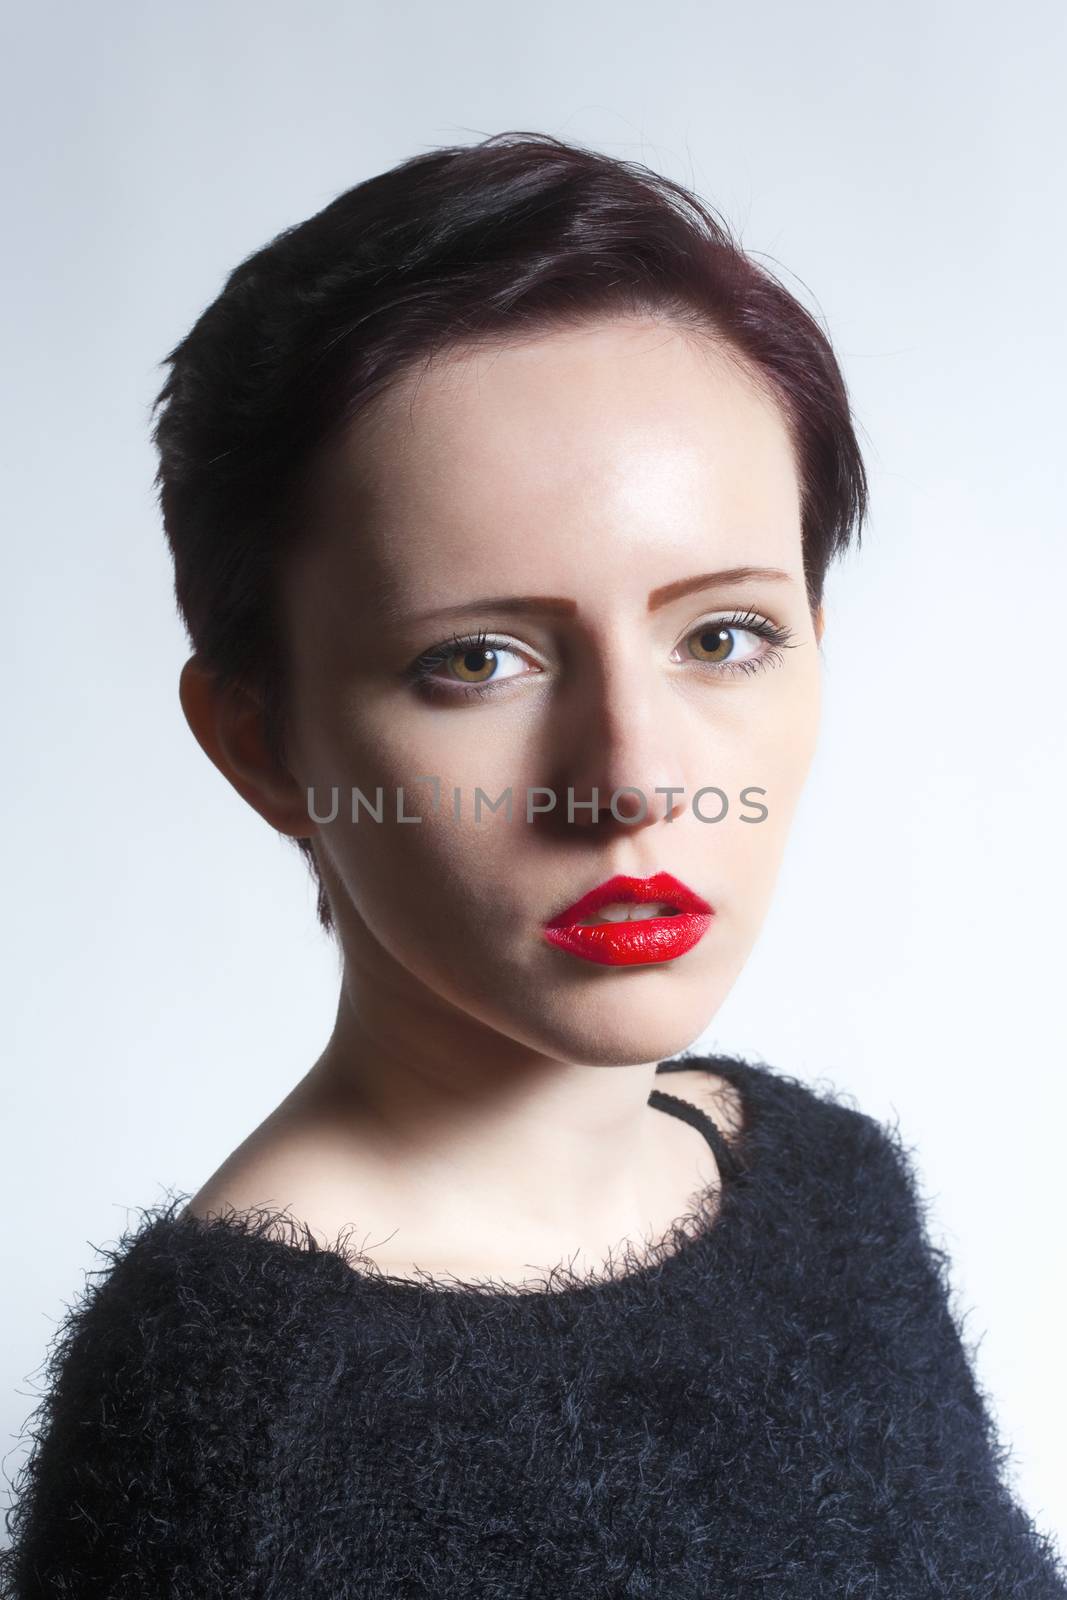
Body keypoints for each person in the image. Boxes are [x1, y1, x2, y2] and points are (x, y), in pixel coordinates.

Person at [2, 130, 1064, 1599]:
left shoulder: (828, 1188)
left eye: (723, 636)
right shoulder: (235, 1424)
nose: (633, 781)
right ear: (258, 742)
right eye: (479, 659)